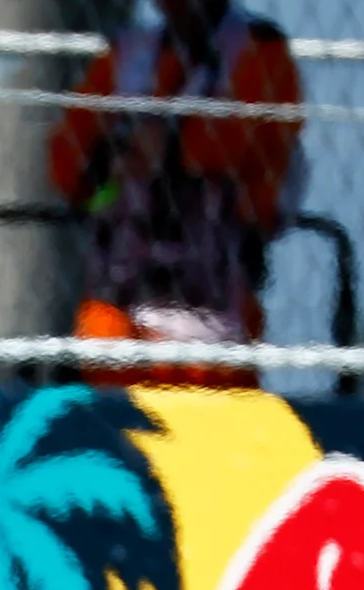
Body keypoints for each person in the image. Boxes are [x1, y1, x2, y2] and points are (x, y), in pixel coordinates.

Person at [46, 0, 302, 382]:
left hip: (216, 294)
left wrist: (164, 146)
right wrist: (126, 152)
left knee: (210, 411)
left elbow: (247, 146)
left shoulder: (261, 52)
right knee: (105, 375)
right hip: (123, 290)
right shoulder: (128, 52)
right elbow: (68, 162)